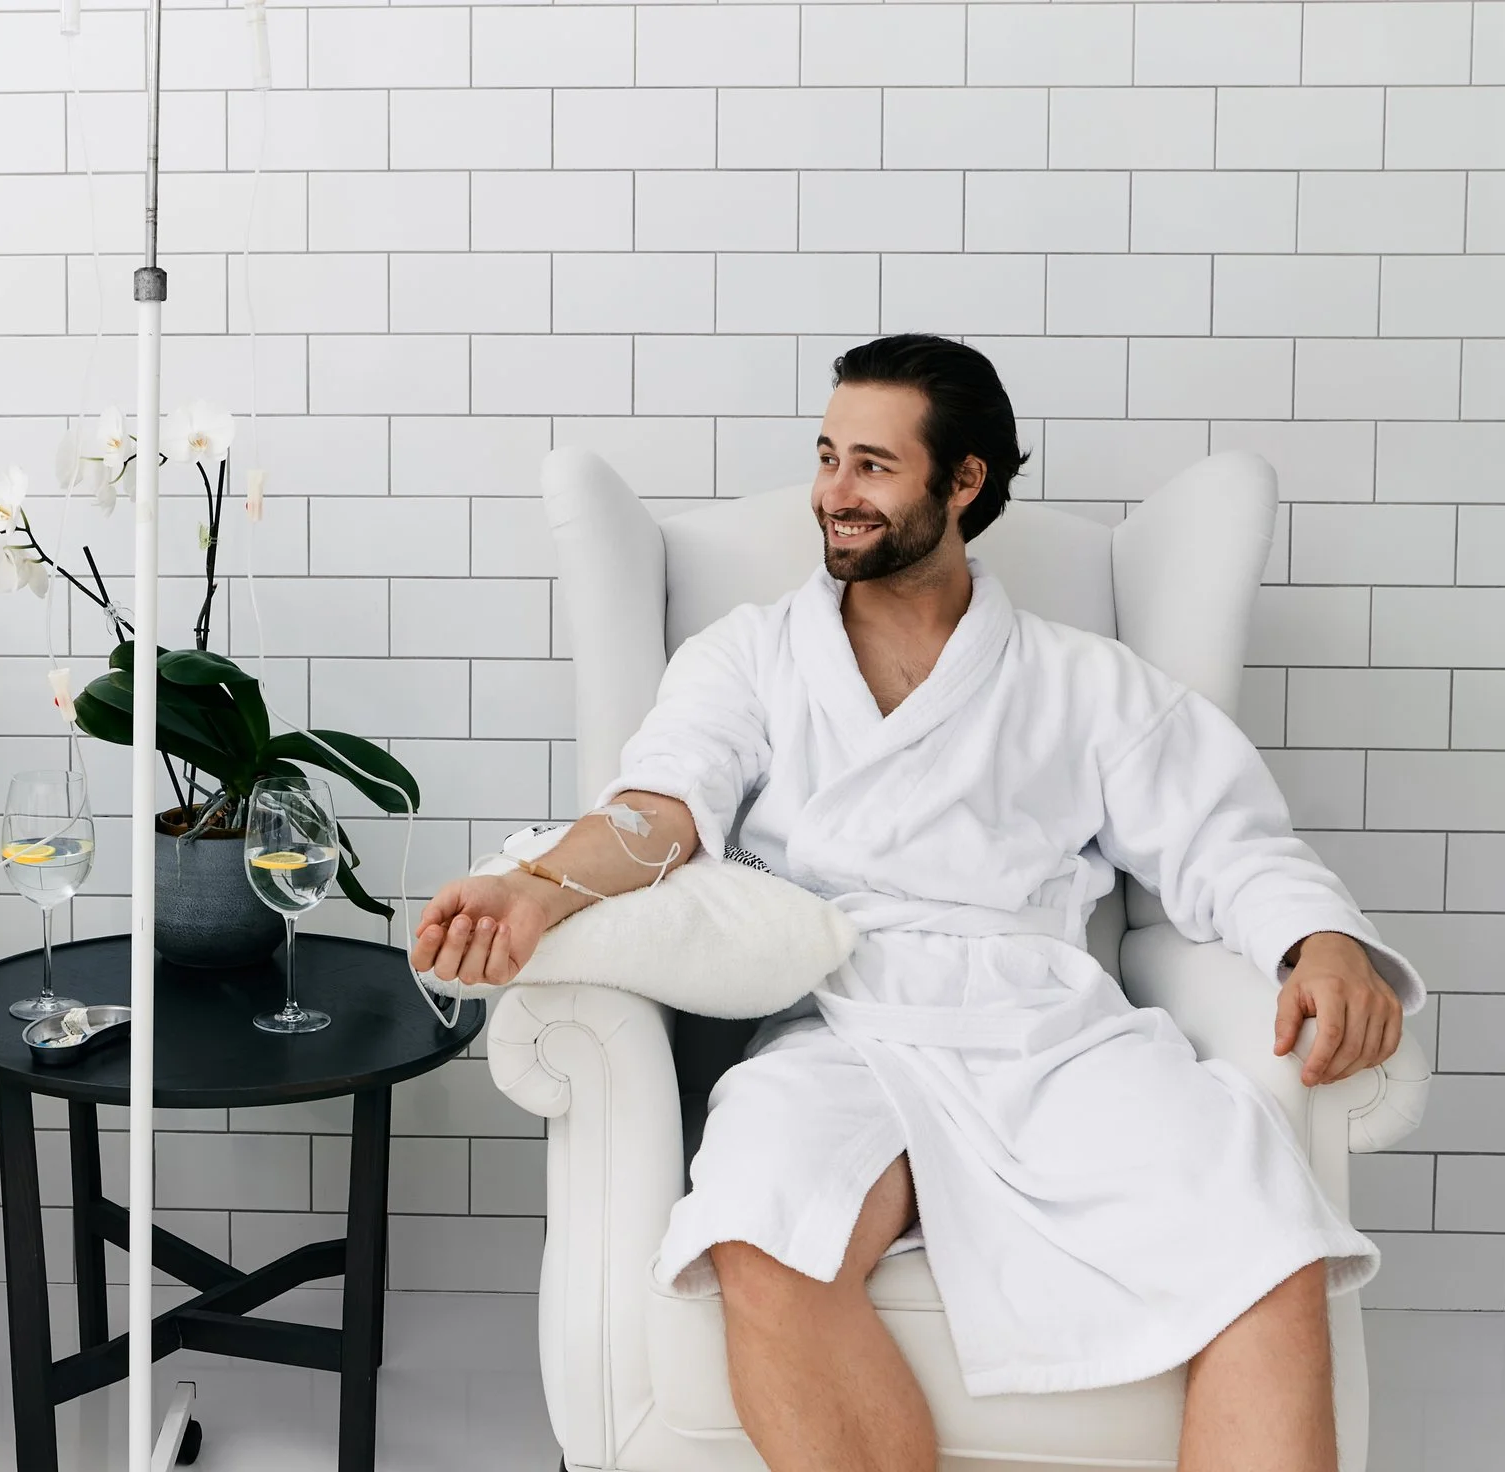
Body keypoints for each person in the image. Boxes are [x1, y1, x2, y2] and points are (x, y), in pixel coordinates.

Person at [410, 335, 1418, 1472]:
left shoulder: (1081, 678)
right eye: (828, 456)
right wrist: (533, 883)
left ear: (964, 481)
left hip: (1048, 1027)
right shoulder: (747, 656)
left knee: (1264, 1234)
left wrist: (1319, 939)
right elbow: (658, 809)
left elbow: (1227, 837)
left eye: (872, 467)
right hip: (840, 1013)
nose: (832, 494)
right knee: (758, 1220)